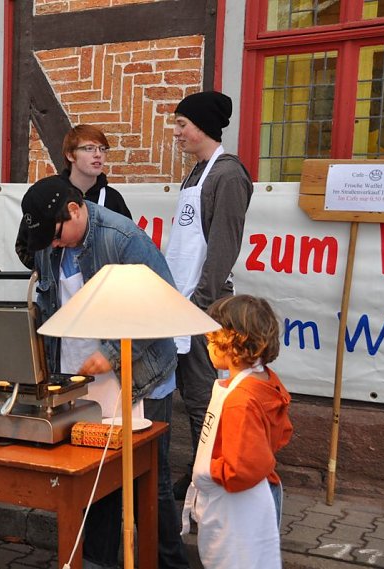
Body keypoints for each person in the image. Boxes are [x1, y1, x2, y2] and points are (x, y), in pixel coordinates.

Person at [21, 175, 186, 568]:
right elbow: (47, 304)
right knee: (96, 478)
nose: (54, 245)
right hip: (81, 381)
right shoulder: (50, 243)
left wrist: (111, 355)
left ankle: (169, 563)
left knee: (150, 482)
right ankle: (98, 562)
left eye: (56, 235)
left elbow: (162, 306)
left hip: (141, 376)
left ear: (74, 210)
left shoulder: (123, 238)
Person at [166, 91, 253, 499]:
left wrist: (199, 304)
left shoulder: (228, 176)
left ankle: (207, 478)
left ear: (202, 127)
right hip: (180, 301)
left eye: (182, 124)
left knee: (202, 395)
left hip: (204, 306)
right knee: (186, 392)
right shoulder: (197, 172)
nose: (176, 132)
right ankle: (199, 470)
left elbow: (222, 249)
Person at [181, 294, 292, 569]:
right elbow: (283, 433)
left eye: (211, 340)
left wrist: (208, 469)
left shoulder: (241, 400)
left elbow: (241, 470)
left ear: (231, 342)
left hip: (240, 501)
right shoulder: (266, 381)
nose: (207, 346)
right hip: (261, 491)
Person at [16, 124, 131, 269]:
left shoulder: (113, 198)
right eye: (89, 148)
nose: (98, 154)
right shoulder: (50, 195)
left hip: (101, 281)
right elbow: (24, 246)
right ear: (70, 155)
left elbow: (126, 245)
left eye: (102, 149)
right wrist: (49, 269)